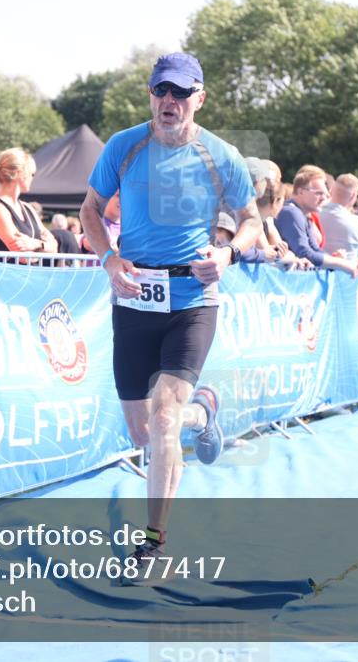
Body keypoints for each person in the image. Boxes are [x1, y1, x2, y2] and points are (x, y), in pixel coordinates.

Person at [79, 52, 262, 570]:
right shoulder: (123, 146)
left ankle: (154, 541)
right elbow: (90, 210)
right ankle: (203, 411)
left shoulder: (220, 155)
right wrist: (110, 258)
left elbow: (251, 220)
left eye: (181, 93)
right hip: (134, 299)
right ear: (151, 95)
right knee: (142, 431)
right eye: (162, 91)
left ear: (198, 98)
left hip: (192, 301)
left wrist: (227, 254)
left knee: (163, 421)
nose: (170, 102)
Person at [274, 166, 358, 275]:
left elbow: (314, 249)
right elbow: (305, 253)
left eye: (325, 194)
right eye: (319, 193)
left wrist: (340, 262)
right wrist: (344, 264)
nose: (324, 198)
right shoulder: (292, 212)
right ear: (301, 192)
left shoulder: (304, 214)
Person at [0, 148, 58, 261]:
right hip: (6, 277)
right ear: (19, 174)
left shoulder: (27, 208)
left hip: (30, 276)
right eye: (32, 174)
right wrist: (45, 247)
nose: (33, 178)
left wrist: (36, 244)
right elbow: (23, 257)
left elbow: (55, 247)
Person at [320, 173, 358, 268]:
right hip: (348, 278)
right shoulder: (357, 223)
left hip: (315, 277)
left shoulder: (314, 214)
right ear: (354, 196)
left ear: (332, 190)